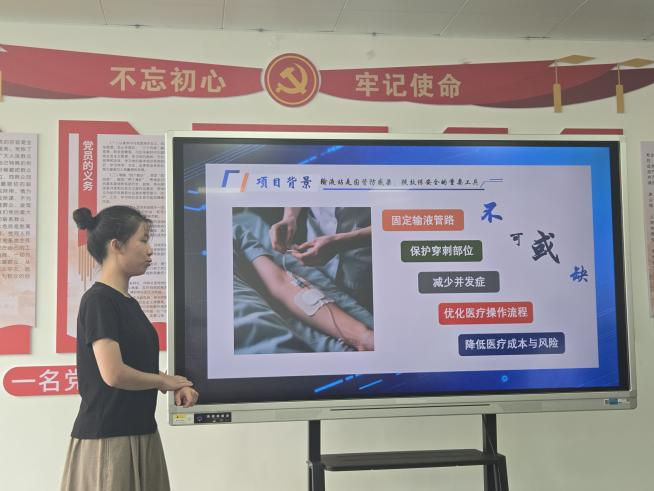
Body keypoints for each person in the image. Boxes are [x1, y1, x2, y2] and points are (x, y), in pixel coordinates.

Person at [60, 206, 198, 491]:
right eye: (143, 240)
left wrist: (173, 383)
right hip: (109, 441)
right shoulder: (99, 300)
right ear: (117, 246)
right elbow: (114, 374)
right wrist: (163, 381)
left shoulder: (127, 303)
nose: (150, 250)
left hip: (141, 433)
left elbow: (135, 366)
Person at [269, 207, 373, 312]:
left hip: (364, 262)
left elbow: (385, 224)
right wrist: (289, 216)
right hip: (316, 257)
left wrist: (342, 242)